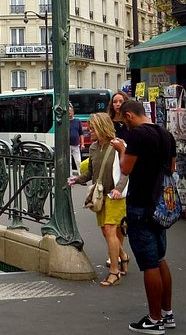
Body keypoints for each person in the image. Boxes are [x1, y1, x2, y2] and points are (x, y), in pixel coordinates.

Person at [110, 99, 177, 333]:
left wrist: (121, 149)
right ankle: (167, 313)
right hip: (161, 204)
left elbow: (126, 169)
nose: (124, 125)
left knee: (149, 264)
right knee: (160, 258)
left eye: (123, 120)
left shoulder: (138, 136)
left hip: (141, 204)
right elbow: (172, 168)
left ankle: (154, 319)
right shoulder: (166, 134)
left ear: (129, 115)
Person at [68, 113, 129, 287]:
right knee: (105, 232)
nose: (89, 131)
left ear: (102, 127)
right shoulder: (94, 148)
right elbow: (91, 173)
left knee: (110, 230)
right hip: (100, 195)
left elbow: (126, 170)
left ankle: (114, 272)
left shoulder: (119, 145)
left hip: (115, 196)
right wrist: (76, 179)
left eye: (93, 128)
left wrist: (118, 189)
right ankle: (123, 256)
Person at [68, 103, 83, 175]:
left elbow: (81, 133)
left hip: (75, 144)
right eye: (68, 111)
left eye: (70, 111)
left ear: (73, 112)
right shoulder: (65, 122)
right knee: (69, 162)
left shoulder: (77, 121)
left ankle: (81, 175)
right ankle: (70, 176)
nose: (69, 113)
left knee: (78, 161)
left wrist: (82, 144)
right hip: (67, 145)